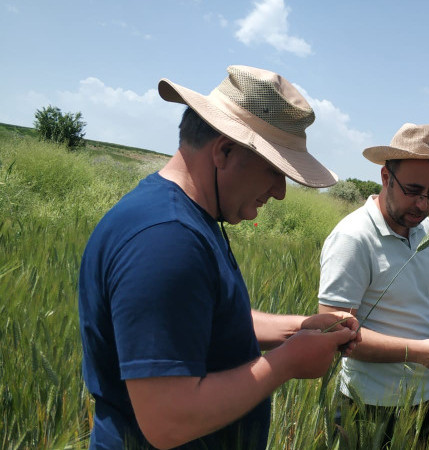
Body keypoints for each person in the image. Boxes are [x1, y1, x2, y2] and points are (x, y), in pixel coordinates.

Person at [78, 65, 359, 449]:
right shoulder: (166, 241)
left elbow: (197, 322)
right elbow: (167, 421)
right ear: (224, 150)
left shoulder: (184, 218)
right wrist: (287, 363)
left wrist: (299, 329)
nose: (280, 192)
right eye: (275, 171)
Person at [317, 123, 429, 442]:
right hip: (367, 406)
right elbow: (335, 331)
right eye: (413, 191)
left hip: (422, 400)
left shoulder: (427, 231)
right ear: (386, 178)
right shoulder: (353, 237)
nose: (423, 205)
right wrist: (419, 352)